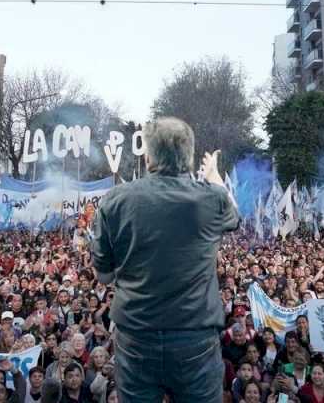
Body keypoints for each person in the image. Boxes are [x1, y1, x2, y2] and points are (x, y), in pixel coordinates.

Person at [92, 118, 238, 402]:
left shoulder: (114, 201)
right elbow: (233, 216)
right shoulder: (211, 199)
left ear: (148, 157)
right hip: (194, 339)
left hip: (136, 339)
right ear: (189, 158)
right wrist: (214, 178)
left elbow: (104, 276)